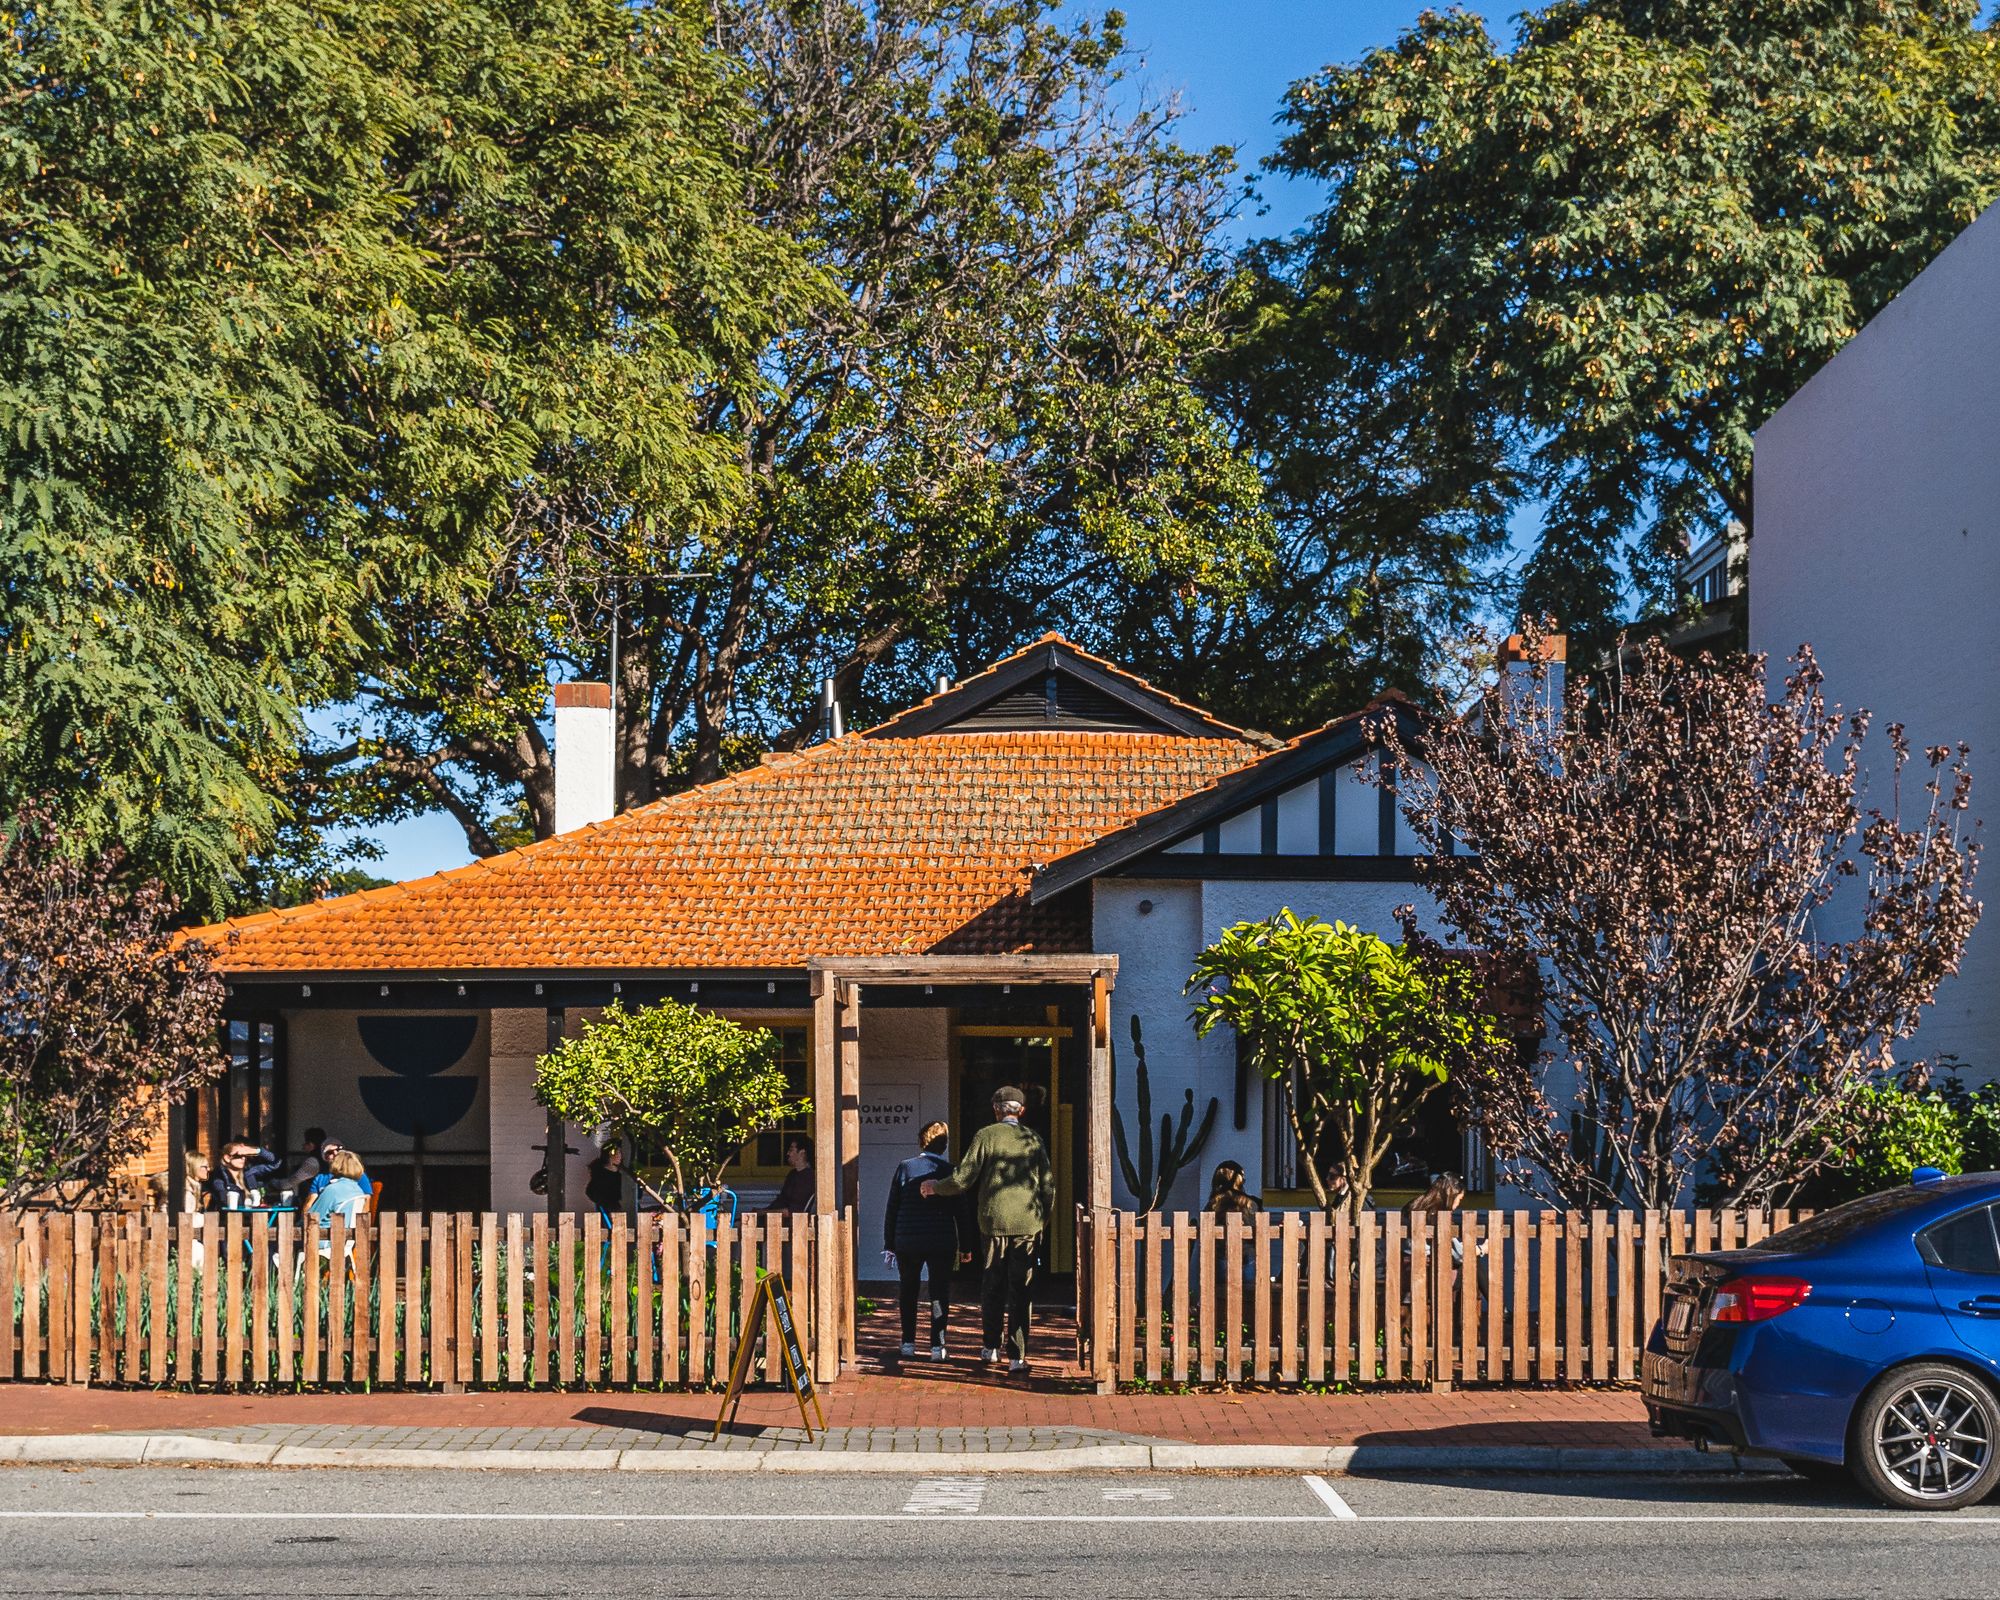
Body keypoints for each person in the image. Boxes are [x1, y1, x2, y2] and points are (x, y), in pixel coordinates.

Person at [920, 1086, 1053, 1375]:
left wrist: (936, 1187)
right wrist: (1042, 1221)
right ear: (1022, 1111)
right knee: (1021, 1289)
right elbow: (1047, 1186)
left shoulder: (986, 1136)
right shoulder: (1033, 1139)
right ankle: (1017, 1355)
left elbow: (964, 1178)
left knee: (993, 1285)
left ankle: (991, 1346)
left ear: (996, 1110)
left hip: (993, 1223)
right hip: (1028, 1224)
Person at [883, 1120, 964, 1361]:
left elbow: (892, 1207)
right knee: (939, 1291)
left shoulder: (905, 1168)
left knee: (908, 1290)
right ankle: (937, 1346)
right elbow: (961, 1210)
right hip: (941, 1239)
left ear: (921, 1141)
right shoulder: (950, 1172)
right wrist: (967, 1244)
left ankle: (908, 1342)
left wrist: (890, 1243)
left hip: (908, 1238)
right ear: (944, 1145)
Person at [206, 1142, 278, 1209]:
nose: (243, 1158)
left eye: (245, 1155)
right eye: (239, 1155)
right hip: (228, 1219)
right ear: (227, 1158)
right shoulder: (219, 1176)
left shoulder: (249, 1172)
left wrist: (256, 1151)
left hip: (254, 1218)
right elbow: (223, 1199)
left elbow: (275, 1164)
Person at [307, 1149, 371, 1222]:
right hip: (350, 1230)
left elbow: (313, 1217)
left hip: (328, 1231)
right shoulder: (358, 1190)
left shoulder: (332, 1190)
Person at [764, 1136, 815, 1214]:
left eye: (791, 1150)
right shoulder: (792, 1174)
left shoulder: (808, 1177)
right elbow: (781, 1201)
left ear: (802, 1153)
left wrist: (763, 1212)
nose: (788, 1153)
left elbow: (794, 1211)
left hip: (790, 1222)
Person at [272, 1128, 328, 1197]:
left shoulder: (312, 1162)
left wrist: (272, 1183)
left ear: (311, 1145)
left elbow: (290, 1182)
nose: (303, 1146)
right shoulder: (327, 1159)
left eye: (305, 1143)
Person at [308, 1141, 373, 1199]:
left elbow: (366, 1198)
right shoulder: (320, 1178)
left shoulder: (357, 1174)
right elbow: (311, 1200)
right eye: (330, 1152)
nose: (336, 1153)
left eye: (339, 1150)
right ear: (324, 1157)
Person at [585, 1142, 630, 1215]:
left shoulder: (623, 1173)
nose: (620, 1156)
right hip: (608, 1210)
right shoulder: (601, 1173)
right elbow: (591, 1192)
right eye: (618, 1153)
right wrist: (607, 1204)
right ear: (609, 1155)